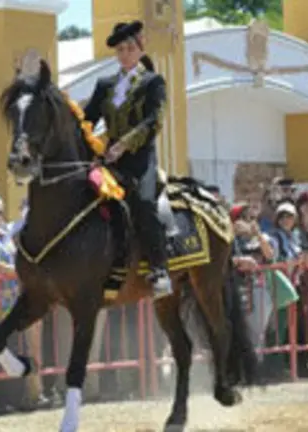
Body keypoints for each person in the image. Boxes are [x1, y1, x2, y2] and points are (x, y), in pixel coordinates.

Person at [82, 20, 171, 298]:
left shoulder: (152, 82)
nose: (124, 54)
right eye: (120, 49)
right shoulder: (105, 84)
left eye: (129, 47)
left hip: (140, 159)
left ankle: (159, 268)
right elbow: (88, 120)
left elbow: (153, 121)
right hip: (110, 159)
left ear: (140, 48)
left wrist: (123, 144)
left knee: (143, 203)